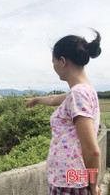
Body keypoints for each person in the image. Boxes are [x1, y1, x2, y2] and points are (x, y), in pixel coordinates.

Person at [24, 29, 102, 195]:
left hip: (70, 183)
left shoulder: (78, 94)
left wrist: (93, 186)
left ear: (63, 61)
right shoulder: (81, 92)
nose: (53, 67)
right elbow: (54, 99)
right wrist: (37, 100)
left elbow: (92, 149)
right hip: (67, 180)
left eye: (53, 62)